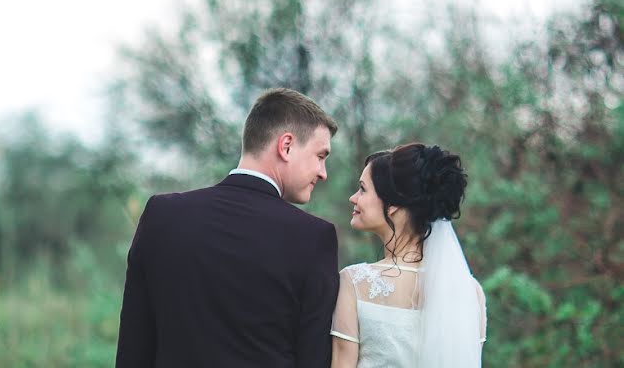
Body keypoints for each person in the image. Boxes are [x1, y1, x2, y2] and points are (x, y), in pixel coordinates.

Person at [115, 88, 341, 368]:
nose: (323, 172)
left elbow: (133, 349)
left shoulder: (162, 216)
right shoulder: (313, 238)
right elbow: (313, 360)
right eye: (320, 156)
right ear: (286, 146)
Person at [330, 143, 487, 368]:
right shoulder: (470, 292)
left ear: (393, 204)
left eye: (363, 189)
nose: (353, 198)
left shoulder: (355, 283)